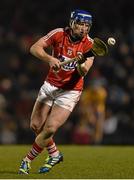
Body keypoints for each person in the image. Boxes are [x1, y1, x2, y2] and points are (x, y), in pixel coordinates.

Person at [18, 9, 94, 174]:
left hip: (70, 91)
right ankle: (54, 154)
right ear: (72, 23)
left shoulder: (90, 45)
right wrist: (50, 59)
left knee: (50, 128)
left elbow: (84, 71)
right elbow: (34, 48)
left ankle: (27, 160)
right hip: (50, 85)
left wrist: (81, 63)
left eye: (87, 25)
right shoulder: (58, 34)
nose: (83, 28)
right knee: (36, 126)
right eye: (81, 24)